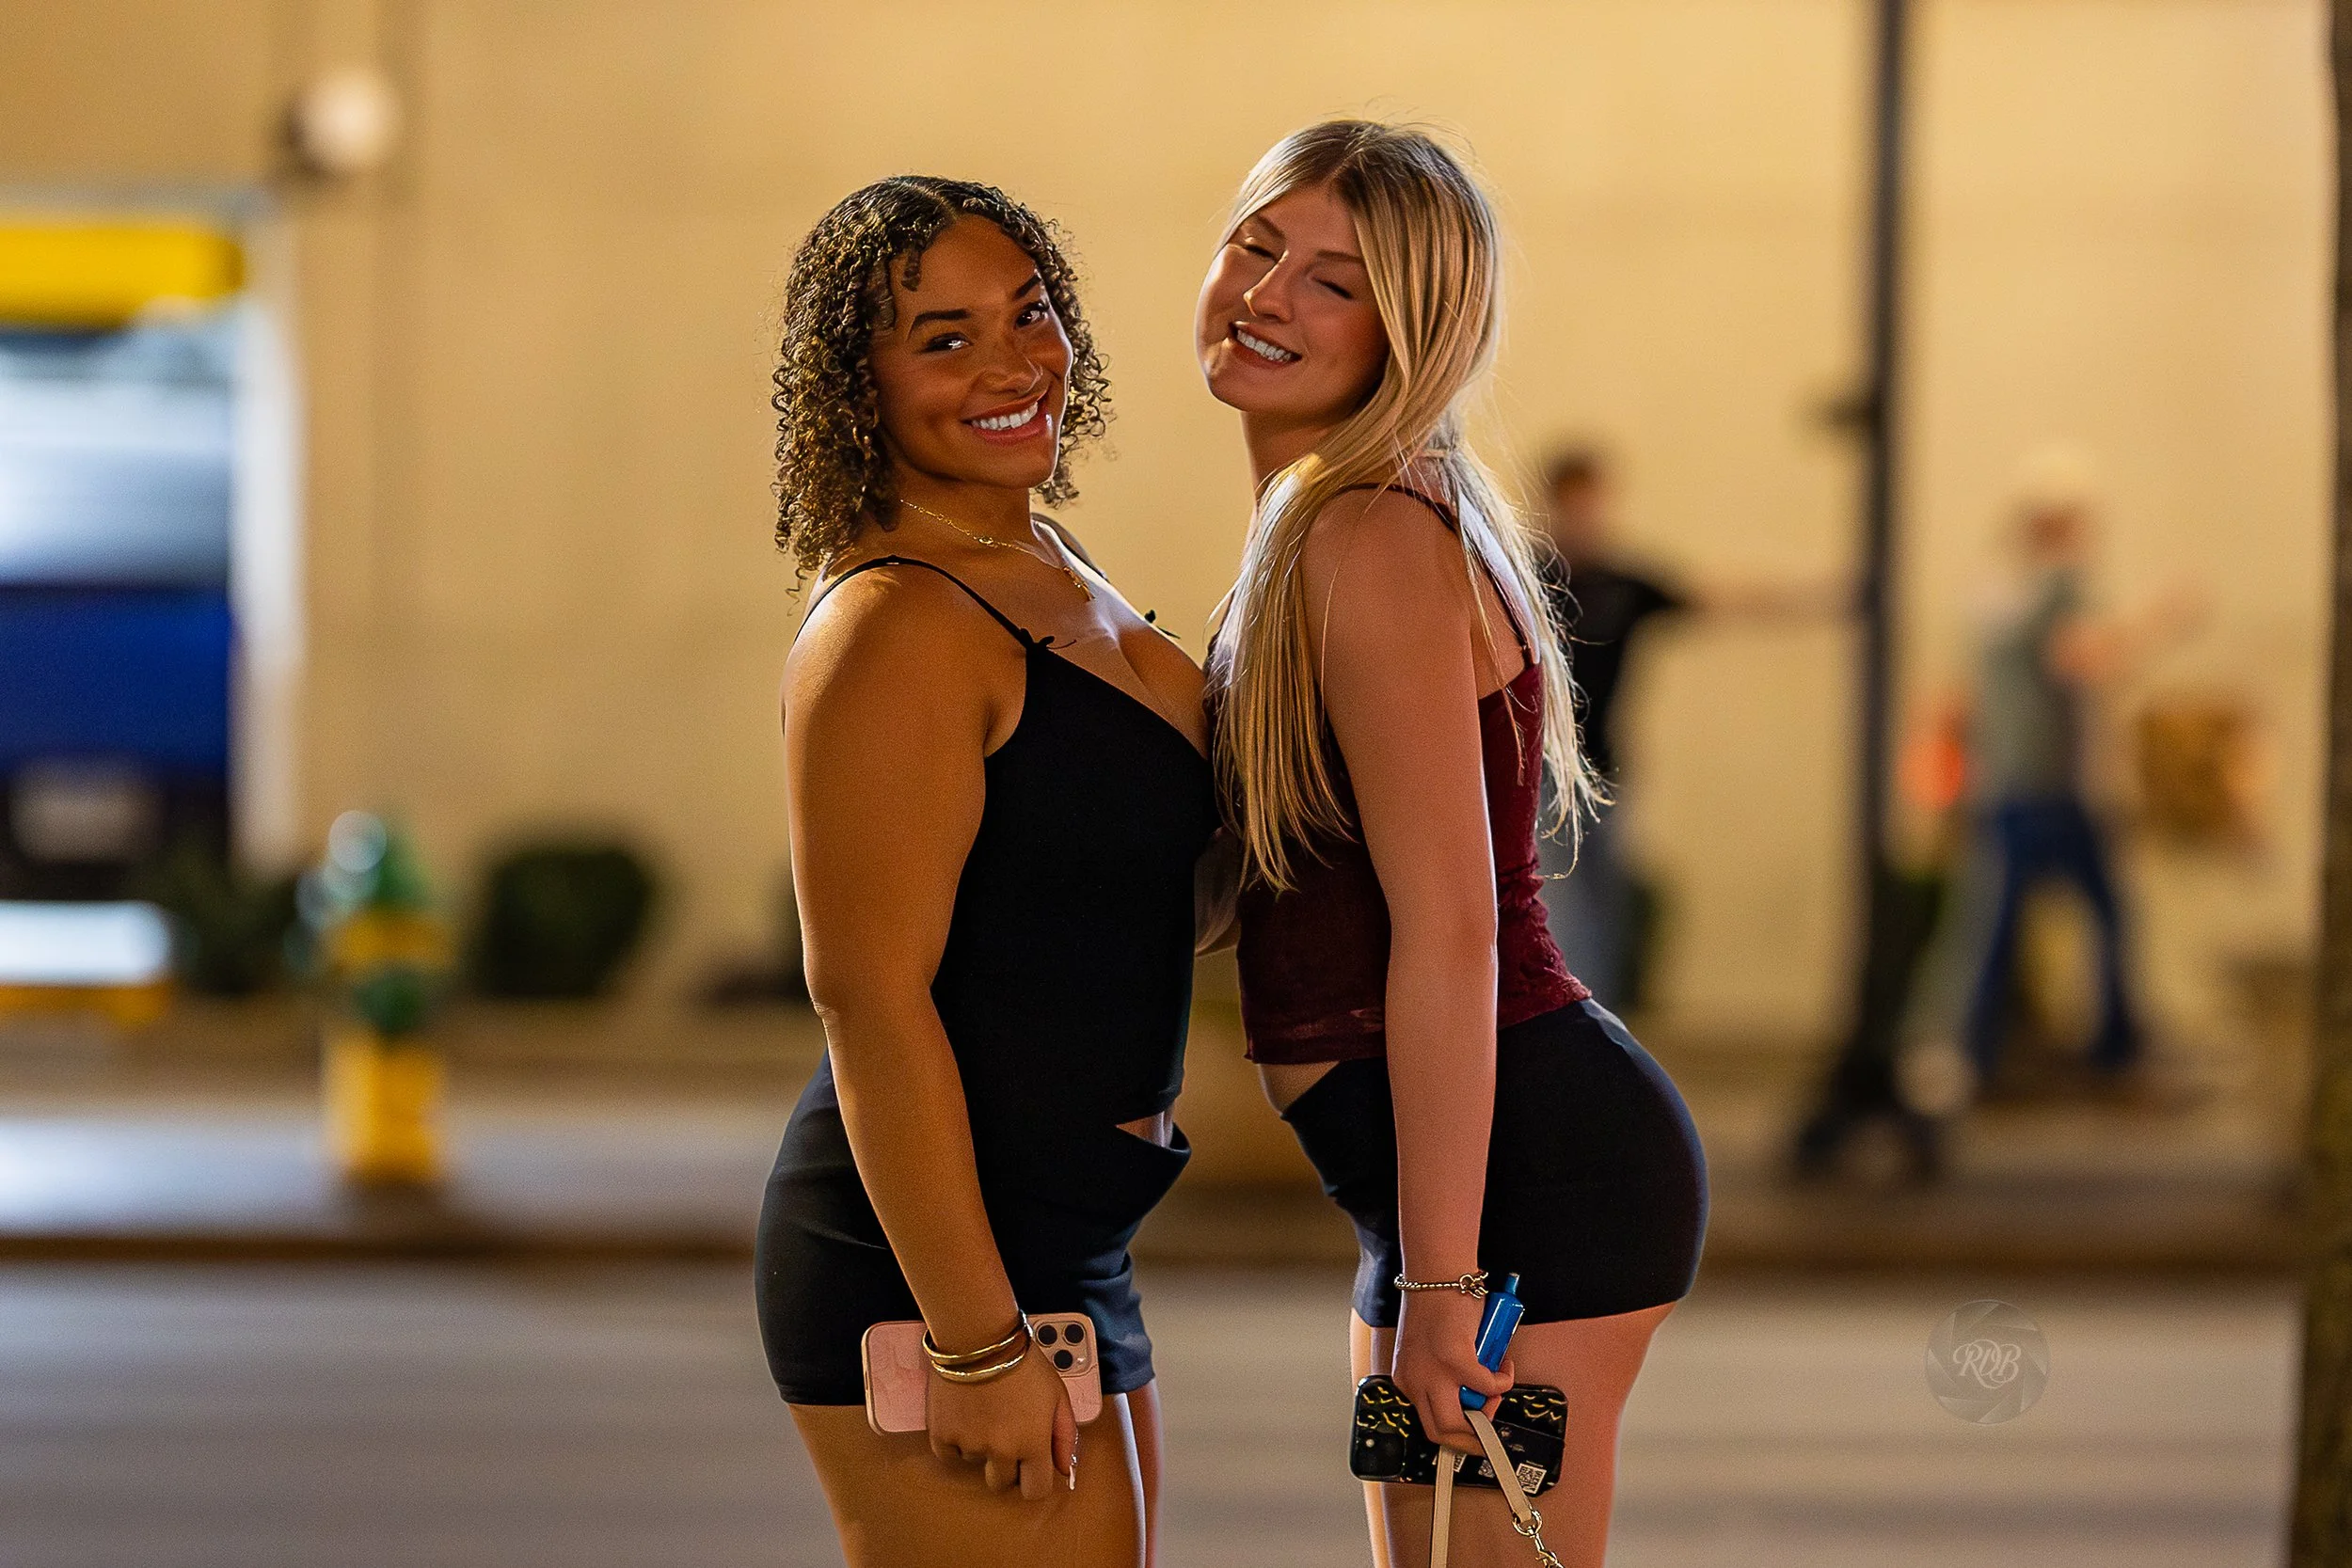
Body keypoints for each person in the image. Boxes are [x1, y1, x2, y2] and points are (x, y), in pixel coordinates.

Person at [1197, 122, 1707, 1568]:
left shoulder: (1368, 532)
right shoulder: (1316, 521)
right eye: (1256, 244)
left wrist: (1442, 1275)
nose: (1270, 293)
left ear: (1411, 331)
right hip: (1436, 1195)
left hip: (1524, 1188)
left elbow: (1451, 927)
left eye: (1337, 282)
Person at [756, 177, 1218, 1568]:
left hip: (1067, 1228)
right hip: (938, 1267)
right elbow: (869, 1003)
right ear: (857, 387)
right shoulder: (897, 623)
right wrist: (971, 1339)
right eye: (944, 339)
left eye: (1030, 314)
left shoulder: (1042, 562)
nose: (1015, 365)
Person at [1529, 450, 1686, 1010]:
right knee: (1552, 892)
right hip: (1541, 763)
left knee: (1605, 888)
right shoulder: (1529, 573)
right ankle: (1565, 1006)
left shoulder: (1624, 583)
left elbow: (1708, 598)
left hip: (1604, 761)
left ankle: (1599, 1007)